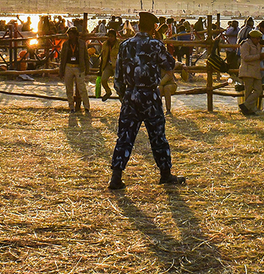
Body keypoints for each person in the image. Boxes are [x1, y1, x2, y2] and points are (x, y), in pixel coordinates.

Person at [108, 11, 184, 190]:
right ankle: (165, 174)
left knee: (125, 137)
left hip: (131, 95)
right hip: (150, 95)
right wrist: (160, 42)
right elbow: (170, 65)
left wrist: (123, 96)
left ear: (137, 26)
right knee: (158, 137)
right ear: (153, 27)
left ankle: (116, 177)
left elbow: (117, 76)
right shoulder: (155, 44)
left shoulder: (125, 45)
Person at [58, 27, 90, 114]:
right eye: (69, 34)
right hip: (68, 67)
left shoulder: (82, 44)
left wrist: (87, 68)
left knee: (81, 88)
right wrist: (61, 71)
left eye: (72, 34)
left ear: (76, 35)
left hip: (79, 67)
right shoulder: (65, 44)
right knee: (69, 88)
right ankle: (71, 106)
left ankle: (86, 107)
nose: (70, 36)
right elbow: (62, 58)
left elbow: (86, 56)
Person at [238, 29, 264, 115]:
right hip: (247, 70)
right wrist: (259, 56)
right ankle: (249, 110)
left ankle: (245, 106)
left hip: (255, 71)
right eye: (257, 39)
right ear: (252, 38)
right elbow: (245, 57)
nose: (258, 40)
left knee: (258, 90)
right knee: (248, 91)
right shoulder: (245, 45)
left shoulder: (257, 45)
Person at [95, 29, 120, 101]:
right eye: (109, 36)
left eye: (111, 36)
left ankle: (120, 94)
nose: (110, 38)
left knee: (117, 83)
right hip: (108, 65)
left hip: (117, 66)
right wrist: (101, 68)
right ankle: (108, 92)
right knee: (103, 79)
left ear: (115, 37)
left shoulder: (119, 44)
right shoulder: (105, 44)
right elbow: (103, 56)